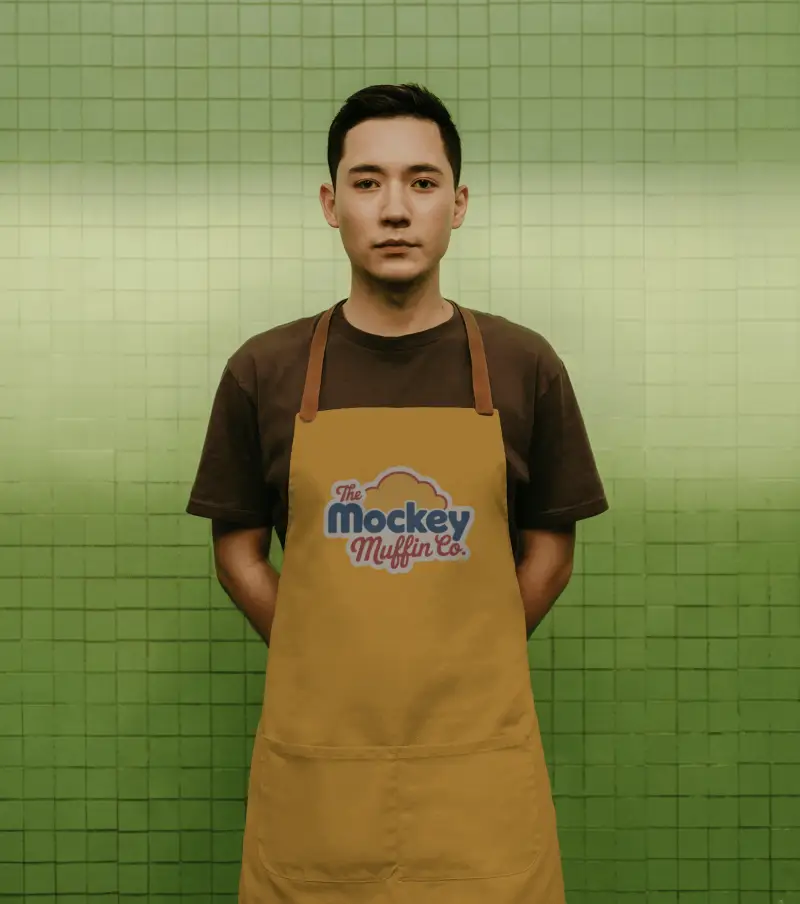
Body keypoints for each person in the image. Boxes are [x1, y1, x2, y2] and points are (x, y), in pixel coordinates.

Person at [186, 83, 608, 904]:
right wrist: (319, 654)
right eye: (367, 181)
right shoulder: (263, 371)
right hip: (321, 771)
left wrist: (471, 654)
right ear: (329, 202)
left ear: (458, 203)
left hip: (477, 769)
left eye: (421, 182)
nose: (394, 209)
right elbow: (236, 549)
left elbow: (551, 549)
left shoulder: (525, 366)